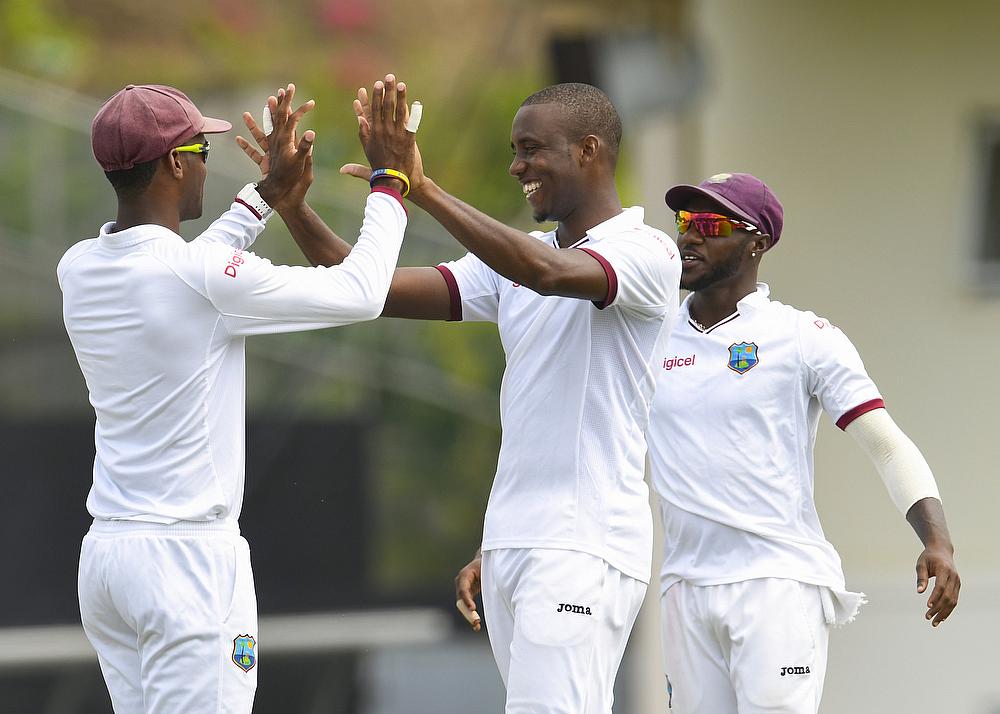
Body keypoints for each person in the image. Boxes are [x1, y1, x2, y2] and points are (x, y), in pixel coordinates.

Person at [243, 79, 681, 713]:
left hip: (583, 544)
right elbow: (368, 289)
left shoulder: (647, 253)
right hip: (515, 543)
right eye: (514, 149)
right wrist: (289, 205)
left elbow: (547, 275)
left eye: (533, 149)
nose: (517, 166)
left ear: (590, 151)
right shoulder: (517, 260)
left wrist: (418, 187)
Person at [58, 79, 417, 713]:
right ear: (174, 162)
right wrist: (390, 184)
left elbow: (184, 270)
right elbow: (361, 293)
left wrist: (266, 197)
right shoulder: (197, 278)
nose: (206, 164)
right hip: (188, 565)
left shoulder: (79, 266)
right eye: (201, 148)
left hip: (109, 561)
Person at [646, 172, 961, 713]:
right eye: (683, 222)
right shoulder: (649, 335)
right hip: (685, 588)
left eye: (708, 223)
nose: (688, 237)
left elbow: (885, 444)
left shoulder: (803, 336)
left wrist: (938, 541)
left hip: (777, 586)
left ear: (756, 242)